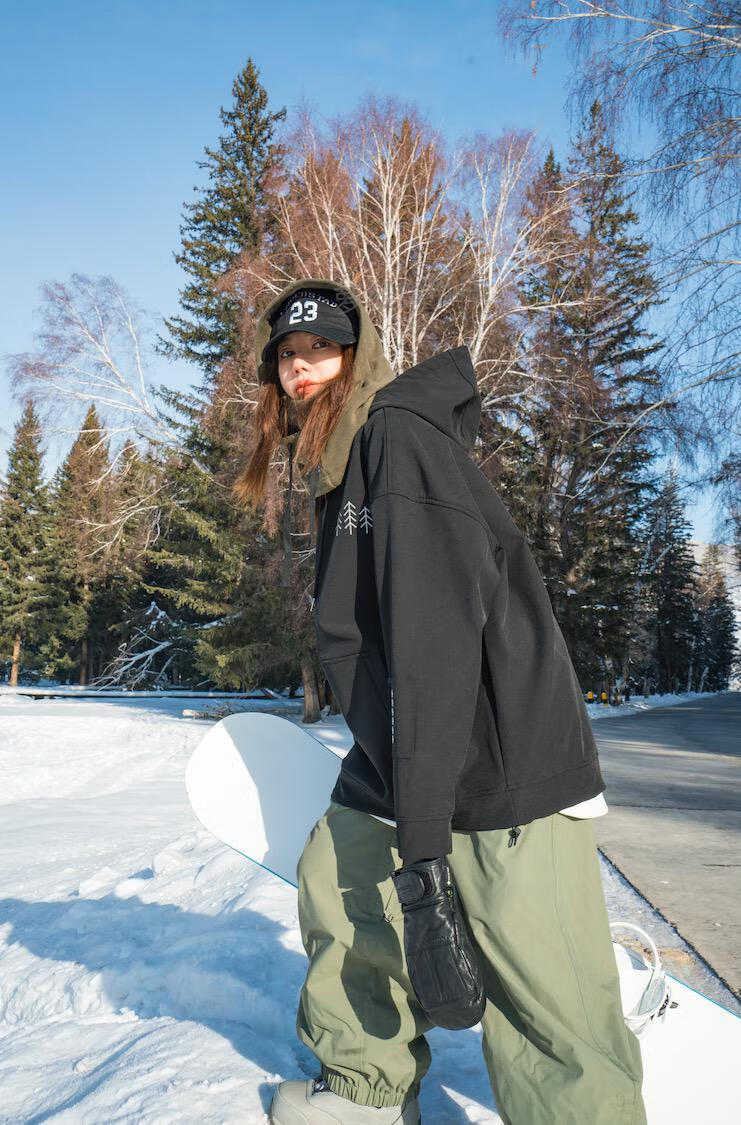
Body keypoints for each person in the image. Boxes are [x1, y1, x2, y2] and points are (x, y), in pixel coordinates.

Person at [234, 278, 647, 1125]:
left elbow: (435, 640)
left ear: (359, 355)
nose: (301, 366)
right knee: (338, 873)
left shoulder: (396, 438)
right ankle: (366, 1089)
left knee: (540, 998)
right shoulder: (344, 468)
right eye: (286, 354)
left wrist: (425, 847)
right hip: (414, 741)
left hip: (499, 752)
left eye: (321, 348)